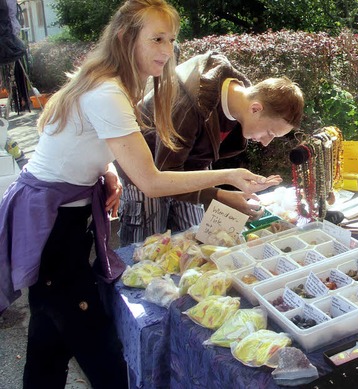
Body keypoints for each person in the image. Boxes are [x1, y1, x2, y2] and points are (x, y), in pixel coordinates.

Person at [0, 1, 281, 388]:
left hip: (63, 215)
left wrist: (109, 172)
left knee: (49, 340)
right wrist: (229, 175)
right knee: (99, 348)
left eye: (171, 39)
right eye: (156, 39)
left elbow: (85, 147)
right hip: (53, 224)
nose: (167, 50)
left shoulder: (113, 81)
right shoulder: (107, 92)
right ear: (125, 37)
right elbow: (150, 182)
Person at [117, 51, 304, 246]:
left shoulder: (238, 104)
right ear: (255, 109)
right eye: (270, 132)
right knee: (145, 251)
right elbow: (162, 177)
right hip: (144, 175)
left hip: (187, 168)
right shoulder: (189, 104)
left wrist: (220, 195)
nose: (266, 142)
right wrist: (220, 194)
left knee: (195, 242)